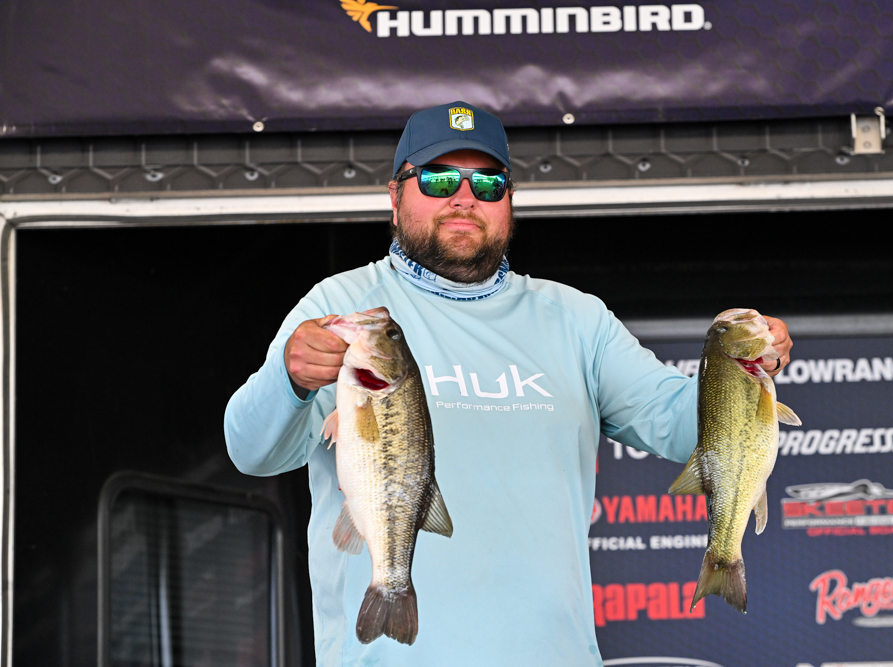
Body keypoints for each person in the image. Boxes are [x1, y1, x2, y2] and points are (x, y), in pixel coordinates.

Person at [224, 101, 793, 667]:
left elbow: (683, 428)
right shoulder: (342, 307)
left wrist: (743, 372)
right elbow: (251, 452)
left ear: (509, 202)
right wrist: (290, 378)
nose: (464, 196)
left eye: (488, 183)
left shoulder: (577, 319)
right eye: (439, 178)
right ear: (395, 198)